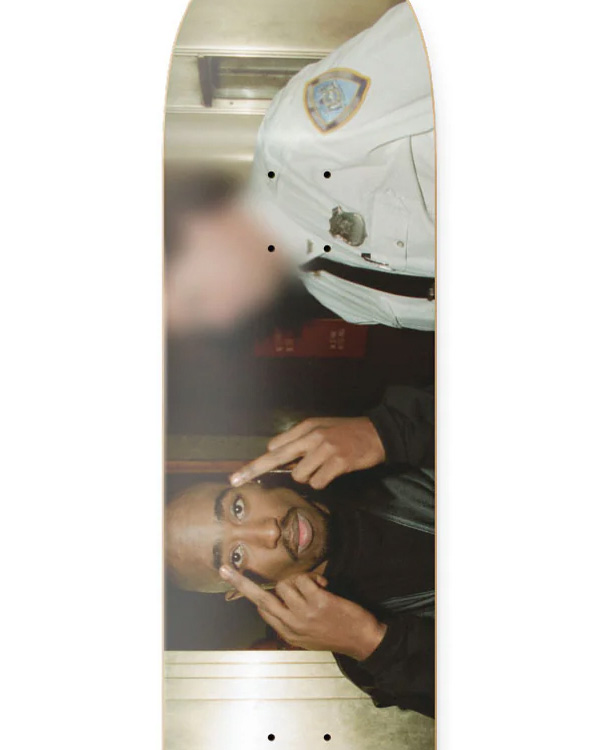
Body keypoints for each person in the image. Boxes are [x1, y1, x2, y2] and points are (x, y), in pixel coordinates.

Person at [166, 2, 435, 334]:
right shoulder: (342, 299)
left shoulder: (298, 140)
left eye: (197, 298)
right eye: (204, 325)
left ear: (194, 222)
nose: (223, 317)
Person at [165, 388, 435, 717]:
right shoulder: (370, 661)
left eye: (237, 508)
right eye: (235, 556)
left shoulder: (374, 444)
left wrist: (393, 432)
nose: (269, 532)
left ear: (250, 483)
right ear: (241, 591)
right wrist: (373, 644)